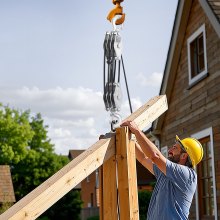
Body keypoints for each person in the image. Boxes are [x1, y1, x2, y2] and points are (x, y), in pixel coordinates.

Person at [121, 120, 203, 220]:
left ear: (184, 155)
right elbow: (143, 158)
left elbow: (154, 156)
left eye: (174, 148)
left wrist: (137, 131)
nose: (169, 151)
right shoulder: (165, 173)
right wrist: (128, 138)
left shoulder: (187, 175)